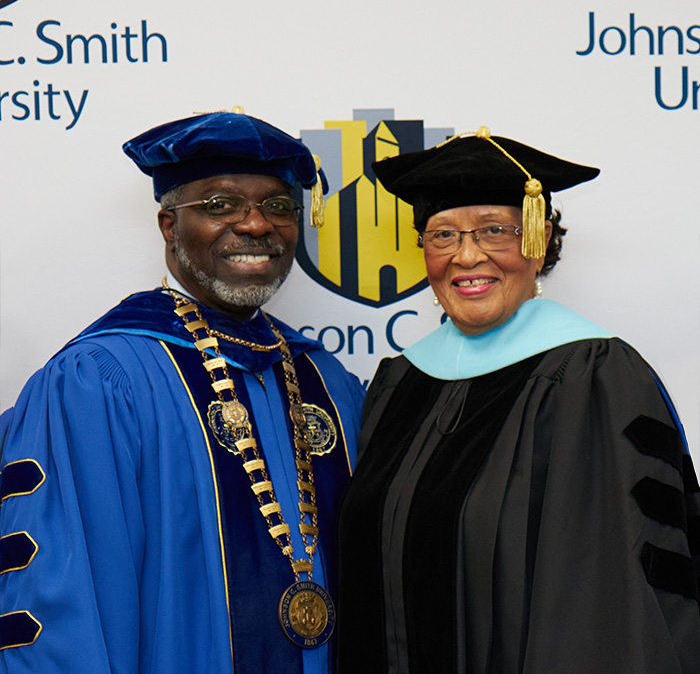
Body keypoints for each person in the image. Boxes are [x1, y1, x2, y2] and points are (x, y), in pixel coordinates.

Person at [0, 109, 364, 674]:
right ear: (169, 225)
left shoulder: (327, 382)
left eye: (278, 206)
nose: (255, 225)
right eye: (220, 205)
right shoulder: (99, 381)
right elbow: (64, 604)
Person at [336, 126, 700, 673]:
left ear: (540, 240)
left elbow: (608, 595)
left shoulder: (593, 378)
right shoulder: (398, 384)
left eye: (494, 231)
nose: (466, 256)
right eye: (442, 236)